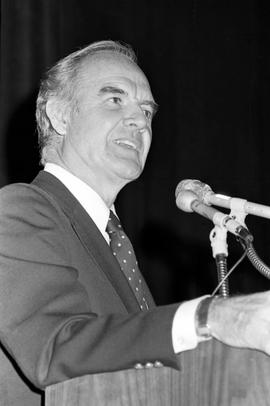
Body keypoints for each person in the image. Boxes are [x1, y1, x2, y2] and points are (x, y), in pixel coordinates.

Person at [0, 40, 270, 406]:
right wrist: (212, 317)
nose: (140, 121)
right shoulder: (18, 210)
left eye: (146, 110)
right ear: (59, 115)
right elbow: (54, 348)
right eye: (115, 100)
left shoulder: (114, 244)